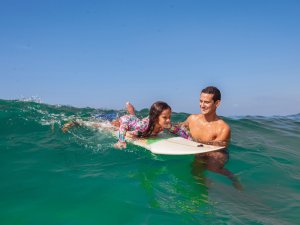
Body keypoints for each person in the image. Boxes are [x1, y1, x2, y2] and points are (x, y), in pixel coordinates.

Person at [179, 86, 242, 189]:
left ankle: (233, 177)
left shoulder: (223, 128)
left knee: (212, 167)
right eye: (201, 101)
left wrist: (195, 144)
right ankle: (204, 189)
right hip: (198, 149)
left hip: (218, 152)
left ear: (217, 103)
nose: (202, 105)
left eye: (206, 102)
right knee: (194, 170)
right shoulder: (192, 119)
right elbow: (179, 128)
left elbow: (215, 147)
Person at [113, 101, 190, 149]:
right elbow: (123, 126)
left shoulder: (166, 124)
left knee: (134, 116)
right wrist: (121, 141)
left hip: (136, 121)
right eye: (165, 117)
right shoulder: (144, 126)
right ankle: (129, 109)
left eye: (169, 117)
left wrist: (189, 139)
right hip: (127, 120)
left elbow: (178, 131)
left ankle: (130, 109)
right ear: (156, 117)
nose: (168, 120)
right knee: (114, 126)